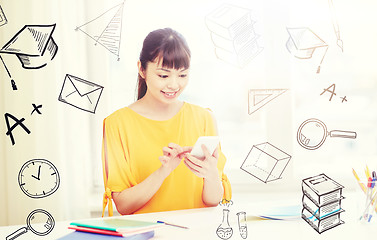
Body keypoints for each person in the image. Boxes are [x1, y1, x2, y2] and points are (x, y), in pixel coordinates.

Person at [101, 28, 231, 217]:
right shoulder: (117, 124)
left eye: (182, 75)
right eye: (163, 75)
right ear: (141, 69)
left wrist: (211, 174)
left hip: (197, 233)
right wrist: (164, 171)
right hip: (147, 234)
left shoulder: (204, 118)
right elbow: (123, 205)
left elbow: (212, 201)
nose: (174, 85)